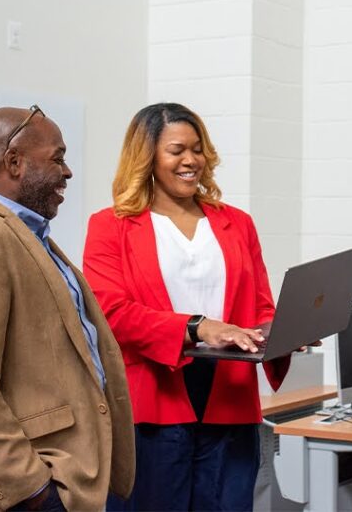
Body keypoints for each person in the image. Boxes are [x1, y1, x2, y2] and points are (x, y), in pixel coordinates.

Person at [0, 106, 135, 511]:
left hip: (74, 481)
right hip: (28, 495)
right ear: (14, 162)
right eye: (57, 158)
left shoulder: (32, 238)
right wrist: (33, 490)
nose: (67, 172)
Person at [82, 102, 290, 512]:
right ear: (147, 157)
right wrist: (197, 326)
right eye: (177, 150)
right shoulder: (110, 226)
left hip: (229, 399)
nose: (191, 160)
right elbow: (111, 314)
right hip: (152, 402)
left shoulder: (238, 223)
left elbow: (261, 305)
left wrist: (281, 333)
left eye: (197, 149)